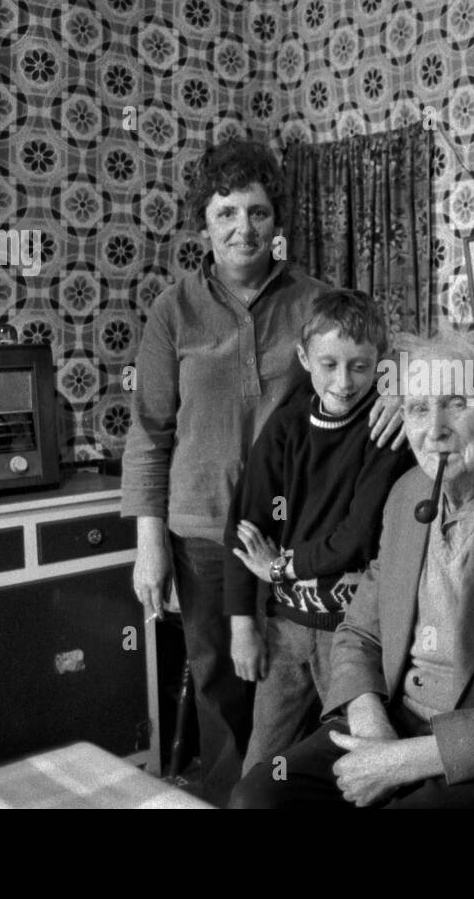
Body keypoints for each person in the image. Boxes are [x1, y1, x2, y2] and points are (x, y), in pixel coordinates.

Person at [121, 139, 401, 806]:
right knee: (221, 679)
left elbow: (375, 352)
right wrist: (149, 542)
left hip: (301, 538)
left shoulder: (315, 301)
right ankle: (231, 796)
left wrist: (397, 388)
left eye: (257, 212)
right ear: (204, 226)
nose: (243, 228)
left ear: (277, 224)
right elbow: (150, 429)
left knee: (296, 683)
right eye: (226, 213)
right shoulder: (173, 311)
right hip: (205, 534)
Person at [229, 332, 474, 809]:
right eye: (418, 409)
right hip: (392, 720)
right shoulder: (407, 492)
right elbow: (358, 635)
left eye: (456, 404)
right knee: (256, 798)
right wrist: (372, 730)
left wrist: (401, 763)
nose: (436, 430)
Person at [223, 289, 413, 774]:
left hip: (352, 632)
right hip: (285, 626)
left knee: (355, 758)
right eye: (329, 364)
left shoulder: (384, 427)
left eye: (360, 366)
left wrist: (281, 567)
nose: (344, 381)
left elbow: (355, 536)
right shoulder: (286, 427)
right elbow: (246, 526)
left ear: (381, 365)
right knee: (261, 762)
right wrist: (242, 623)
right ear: (304, 358)